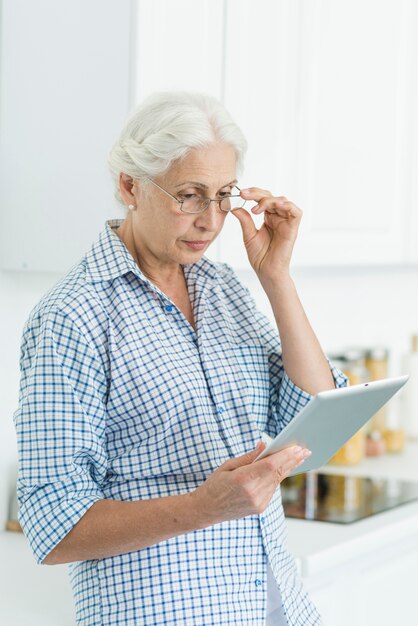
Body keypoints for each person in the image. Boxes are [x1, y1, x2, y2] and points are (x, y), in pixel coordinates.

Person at [14, 91, 347, 626]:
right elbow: (53, 525)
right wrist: (203, 506)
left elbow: (310, 414)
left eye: (222, 196)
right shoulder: (72, 318)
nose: (210, 222)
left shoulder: (223, 289)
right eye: (189, 195)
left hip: (272, 605)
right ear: (129, 184)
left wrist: (276, 278)